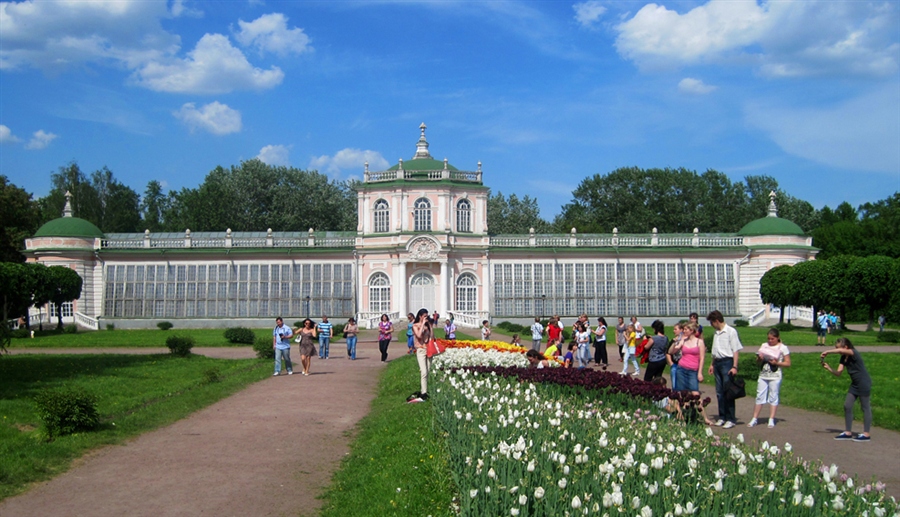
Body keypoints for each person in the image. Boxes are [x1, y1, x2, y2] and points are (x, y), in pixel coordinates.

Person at [822, 338, 873, 442]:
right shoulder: (843, 358)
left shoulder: (853, 353)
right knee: (847, 405)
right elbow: (839, 373)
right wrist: (829, 368)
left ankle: (866, 434)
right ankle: (848, 432)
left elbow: (840, 351)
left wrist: (827, 351)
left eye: (837, 348)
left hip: (863, 382)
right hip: (854, 384)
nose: (836, 350)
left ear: (845, 347)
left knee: (865, 407)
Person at [707, 310, 743, 429]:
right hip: (717, 362)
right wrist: (712, 364)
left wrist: (734, 366)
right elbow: (715, 350)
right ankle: (722, 416)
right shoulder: (716, 333)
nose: (711, 325)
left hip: (727, 362)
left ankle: (730, 418)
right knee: (719, 392)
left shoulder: (731, 332)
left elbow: (735, 350)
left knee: (728, 391)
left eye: (712, 322)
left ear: (717, 321)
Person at [748, 328, 790, 428]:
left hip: (775, 375)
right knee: (759, 395)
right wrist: (760, 358)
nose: (770, 341)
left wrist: (777, 363)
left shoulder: (783, 347)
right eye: (769, 339)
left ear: (777, 338)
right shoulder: (764, 345)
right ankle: (754, 418)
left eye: (772, 339)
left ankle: (771, 419)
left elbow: (788, 363)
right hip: (763, 374)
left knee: (773, 395)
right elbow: (757, 361)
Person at [672, 321, 705, 397]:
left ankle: (698, 408)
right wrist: (675, 343)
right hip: (681, 368)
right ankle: (683, 408)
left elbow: (702, 358)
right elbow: (674, 351)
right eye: (684, 329)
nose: (684, 331)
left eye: (686, 329)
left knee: (695, 392)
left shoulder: (699, 342)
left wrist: (700, 373)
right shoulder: (683, 340)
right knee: (682, 393)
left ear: (692, 330)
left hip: (693, 370)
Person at [412, 308, 433, 397]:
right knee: (423, 371)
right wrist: (423, 324)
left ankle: (426, 389)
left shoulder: (427, 326)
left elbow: (432, 337)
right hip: (420, 350)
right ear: (420, 316)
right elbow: (419, 336)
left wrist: (430, 326)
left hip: (428, 349)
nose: (426, 317)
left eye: (427, 316)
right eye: (424, 316)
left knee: (428, 371)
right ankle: (423, 392)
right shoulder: (415, 326)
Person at [666, 322, 684, 391]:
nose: (674, 331)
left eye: (675, 329)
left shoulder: (685, 340)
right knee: (674, 385)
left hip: (684, 364)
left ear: (681, 330)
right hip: (675, 364)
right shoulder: (674, 340)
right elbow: (668, 353)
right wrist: (671, 363)